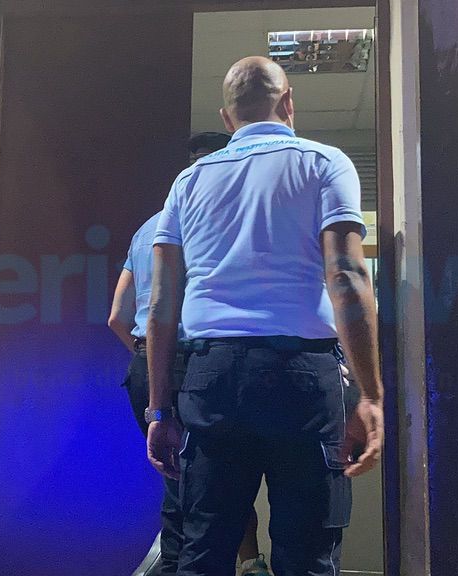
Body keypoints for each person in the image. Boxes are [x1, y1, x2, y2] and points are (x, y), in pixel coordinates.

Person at [145, 56, 383, 576]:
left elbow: (161, 305)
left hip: (211, 378)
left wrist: (159, 409)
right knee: (308, 549)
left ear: (227, 118)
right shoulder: (325, 163)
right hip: (302, 378)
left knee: (205, 547)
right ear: (289, 101)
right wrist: (369, 395)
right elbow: (346, 277)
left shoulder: (188, 182)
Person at [109, 131, 271, 576]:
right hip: (197, 362)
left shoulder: (149, 227)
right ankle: (244, 563)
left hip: (144, 366)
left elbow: (117, 316)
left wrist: (149, 356)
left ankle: (181, 564)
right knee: (214, 487)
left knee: (179, 482)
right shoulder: (220, 222)